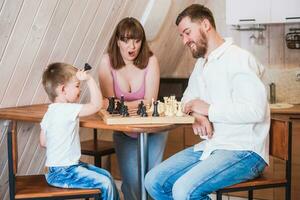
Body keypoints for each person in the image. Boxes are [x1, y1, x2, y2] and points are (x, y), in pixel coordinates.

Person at [145, 4, 270, 200]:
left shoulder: (238, 58)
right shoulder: (202, 63)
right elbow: (188, 99)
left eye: (187, 32)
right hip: (213, 146)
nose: (185, 41)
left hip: (244, 151)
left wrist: (208, 110)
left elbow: (255, 111)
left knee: (183, 190)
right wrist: (197, 114)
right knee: (154, 181)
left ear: (205, 25)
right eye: (182, 36)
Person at [98, 17, 168, 200]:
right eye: (126, 40)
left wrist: (123, 106)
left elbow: (150, 101)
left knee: (153, 183)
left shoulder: (151, 60)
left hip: (154, 130)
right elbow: (111, 106)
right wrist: (136, 104)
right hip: (124, 132)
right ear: (117, 41)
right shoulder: (107, 61)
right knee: (132, 186)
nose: (132, 47)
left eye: (137, 41)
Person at [40, 62, 119, 200]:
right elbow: (97, 105)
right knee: (106, 183)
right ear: (63, 89)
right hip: (64, 172)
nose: (80, 89)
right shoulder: (67, 110)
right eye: (77, 86)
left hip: (55, 170)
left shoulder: (50, 111)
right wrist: (89, 79)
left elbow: (43, 142)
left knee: (106, 176)